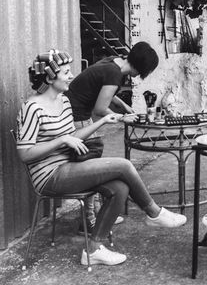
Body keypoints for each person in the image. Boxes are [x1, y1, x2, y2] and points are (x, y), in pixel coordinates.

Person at [16, 49, 186, 266]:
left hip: (67, 167)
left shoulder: (64, 102)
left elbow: (74, 135)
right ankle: (154, 213)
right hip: (49, 176)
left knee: (120, 189)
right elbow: (24, 153)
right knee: (124, 165)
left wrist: (103, 122)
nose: (71, 76)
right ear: (50, 78)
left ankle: (93, 249)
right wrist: (61, 141)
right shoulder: (33, 107)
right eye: (66, 72)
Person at [65, 42, 159, 228]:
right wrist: (123, 118)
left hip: (73, 112)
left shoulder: (113, 62)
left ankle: (100, 213)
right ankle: (89, 220)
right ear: (142, 68)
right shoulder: (115, 74)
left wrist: (122, 105)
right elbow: (100, 109)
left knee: (93, 163)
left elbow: (105, 89)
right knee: (90, 168)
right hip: (77, 116)